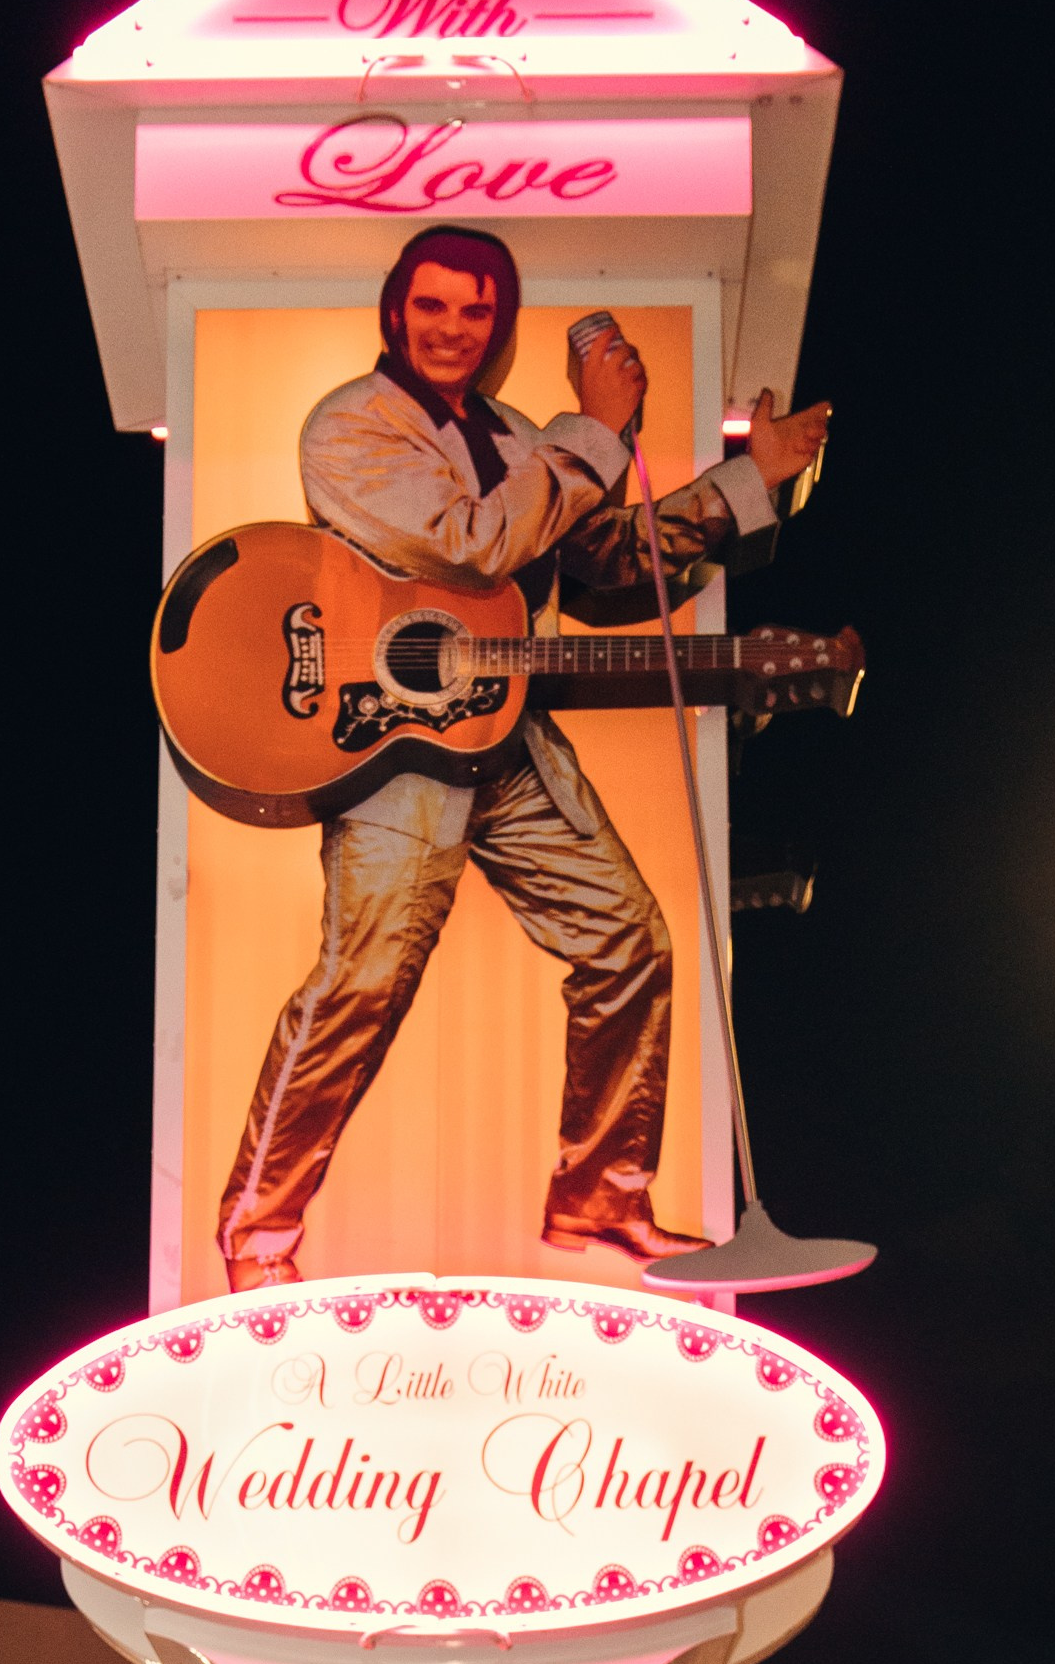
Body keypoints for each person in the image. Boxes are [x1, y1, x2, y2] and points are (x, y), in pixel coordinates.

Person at [216, 223, 832, 1289]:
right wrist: (592, 429)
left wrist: (746, 484)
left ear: (498, 326)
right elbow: (469, 542)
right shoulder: (349, 427)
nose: (452, 329)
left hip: (501, 734)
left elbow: (603, 570)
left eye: (475, 311)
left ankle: (600, 1199)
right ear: (395, 311)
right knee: (362, 986)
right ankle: (255, 1239)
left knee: (631, 944)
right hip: (390, 741)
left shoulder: (514, 432)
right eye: (431, 306)